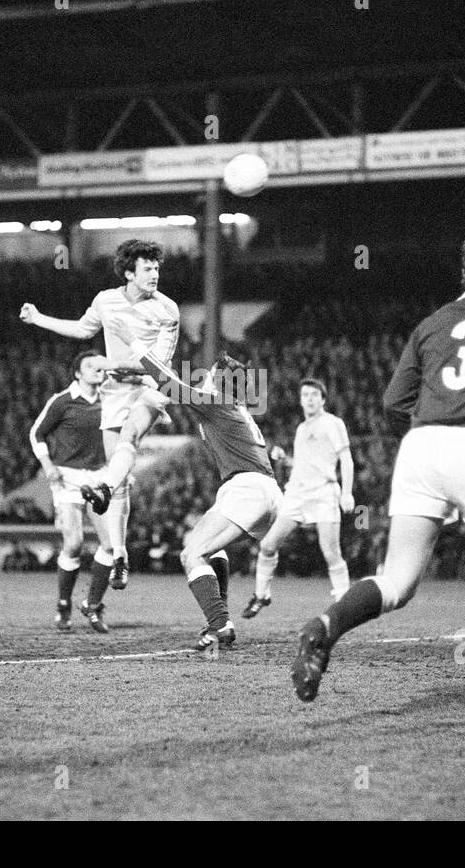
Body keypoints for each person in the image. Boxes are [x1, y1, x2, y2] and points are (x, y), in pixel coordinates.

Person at [290, 220, 465, 718]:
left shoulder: (432, 322)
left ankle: (323, 627)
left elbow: (393, 403)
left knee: (396, 582)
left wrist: (425, 449)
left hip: (420, 447)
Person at [104, 314, 281, 651]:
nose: (205, 378)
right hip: (265, 491)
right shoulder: (232, 405)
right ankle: (219, 620)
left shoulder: (216, 404)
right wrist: (137, 374)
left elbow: (173, 385)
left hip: (247, 488)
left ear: (217, 381)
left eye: (210, 375)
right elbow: (172, 388)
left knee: (191, 554)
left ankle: (219, 624)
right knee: (207, 546)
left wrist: (133, 340)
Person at [19, 239, 178, 590]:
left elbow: (160, 367)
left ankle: (105, 487)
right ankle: (120, 556)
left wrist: (113, 363)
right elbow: (82, 329)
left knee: (130, 437)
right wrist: (38, 318)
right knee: (119, 478)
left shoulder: (168, 311)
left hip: (150, 386)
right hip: (115, 393)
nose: (155, 274)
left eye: (157, 268)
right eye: (147, 269)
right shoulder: (106, 300)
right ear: (128, 273)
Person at [243, 378, 354, 618]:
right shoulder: (302, 429)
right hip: (297, 495)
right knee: (268, 545)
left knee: (331, 553)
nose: (310, 399)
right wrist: (285, 459)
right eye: (305, 395)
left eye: (315, 394)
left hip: (324, 493)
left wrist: (347, 492)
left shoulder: (332, 423)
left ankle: (346, 608)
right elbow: (305, 465)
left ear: (323, 399)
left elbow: (346, 458)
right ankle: (261, 595)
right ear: (301, 400)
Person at [29, 351, 112, 632]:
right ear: (77, 373)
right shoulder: (62, 400)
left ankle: (93, 605)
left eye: (101, 365)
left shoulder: (110, 398)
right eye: (90, 366)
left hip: (99, 476)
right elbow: (36, 433)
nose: (97, 370)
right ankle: (64, 603)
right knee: (74, 543)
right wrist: (47, 464)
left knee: (110, 545)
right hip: (67, 477)